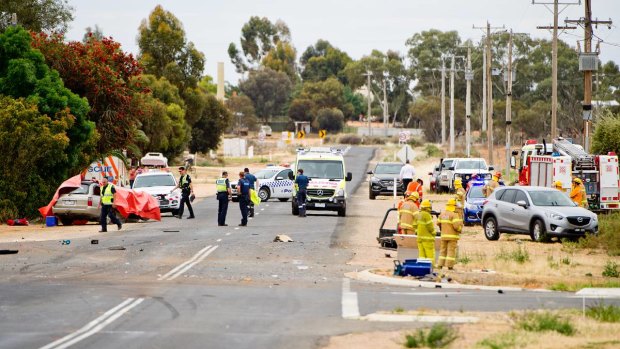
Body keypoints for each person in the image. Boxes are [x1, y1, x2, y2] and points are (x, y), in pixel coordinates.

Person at [437, 198, 463, 270]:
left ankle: (440, 265)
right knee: (451, 251)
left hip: (443, 236)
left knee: (442, 251)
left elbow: (438, 223)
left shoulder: (442, 214)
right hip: (452, 237)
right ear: (453, 206)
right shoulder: (454, 215)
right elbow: (456, 226)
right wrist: (460, 229)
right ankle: (450, 266)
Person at [416, 199, 436, 267]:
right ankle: (431, 266)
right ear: (428, 207)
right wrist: (434, 233)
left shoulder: (419, 214)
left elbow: (415, 225)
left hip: (419, 238)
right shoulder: (427, 215)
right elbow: (430, 226)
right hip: (427, 239)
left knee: (421, 254)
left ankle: (422, 266)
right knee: (429, 254)